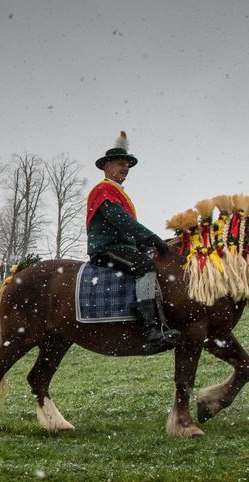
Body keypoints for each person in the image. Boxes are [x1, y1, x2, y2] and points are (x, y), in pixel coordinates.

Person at [86, 131, 179, 345]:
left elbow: (126, 229)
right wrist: (151, 237)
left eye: (127, 165)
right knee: (145, 266)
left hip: (121, 246)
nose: (126, 168)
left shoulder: (117, 191)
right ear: (107, 167)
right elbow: (122, 221)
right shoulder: (103, 190)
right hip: (106, 248)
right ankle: (149, 328)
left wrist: (147, 242)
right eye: (121, 164)